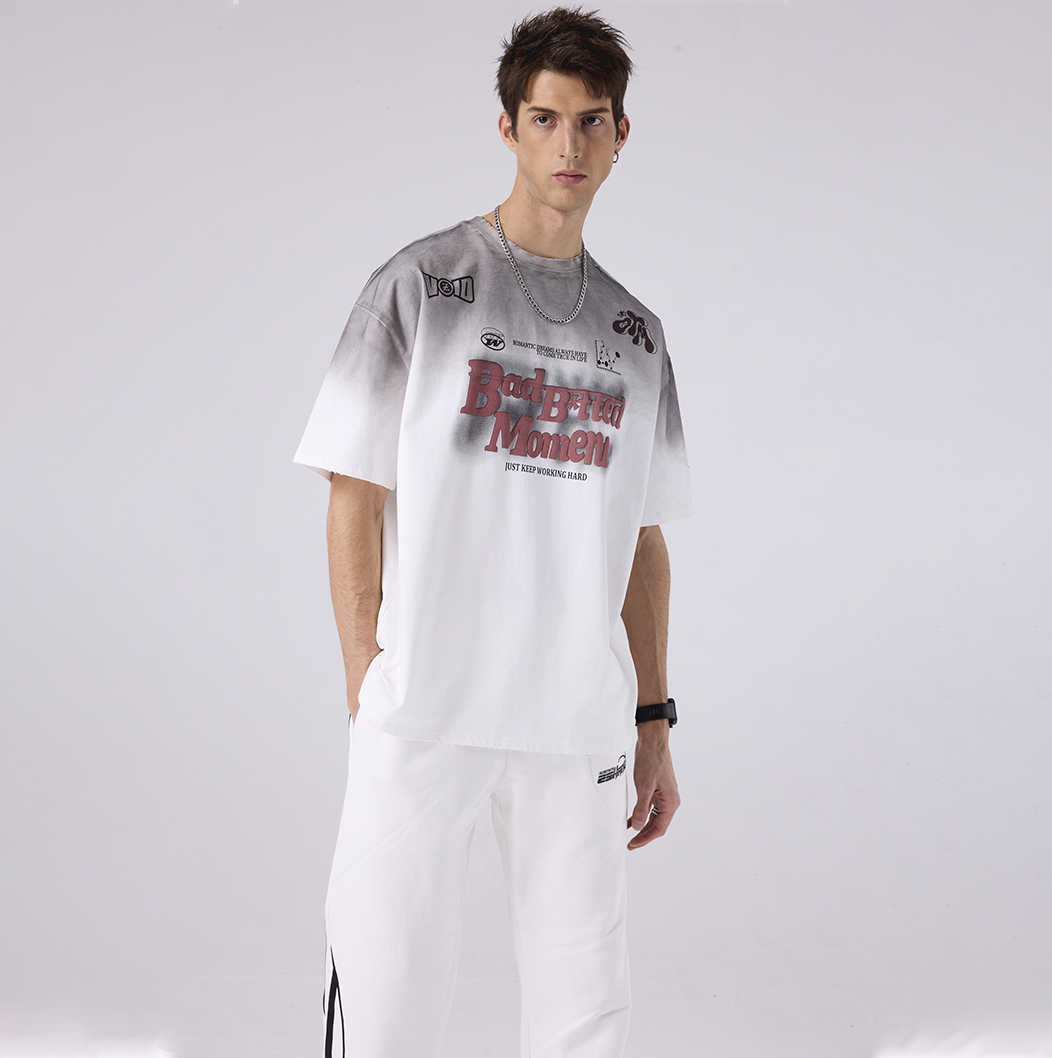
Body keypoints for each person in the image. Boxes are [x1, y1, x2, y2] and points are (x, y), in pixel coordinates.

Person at [294, 7, 691, 1056]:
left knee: (583, 1014)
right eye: (546, 119)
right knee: (386, 997)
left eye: (591, 121)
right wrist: (369, 678)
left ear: (620, 135)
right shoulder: (420, 287)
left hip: (575, 722)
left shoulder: (636, 336)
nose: (569, 146)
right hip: (427, 707)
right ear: (508, 127)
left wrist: (653, 717)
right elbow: (351, 491)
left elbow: (642, 538)